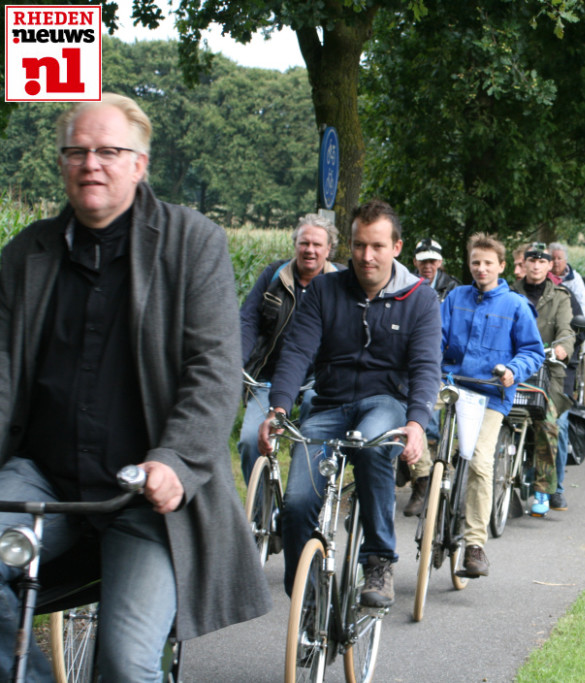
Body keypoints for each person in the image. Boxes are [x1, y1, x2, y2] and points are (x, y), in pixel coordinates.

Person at [0, 93, 271, 681]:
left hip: (142, 494)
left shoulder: (190, 243)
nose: (91, 164)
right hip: (41, 478)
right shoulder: (25, 255)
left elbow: (213, 369)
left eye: (108, 151)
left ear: (139, 164)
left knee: (126, 664)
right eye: (76, 152)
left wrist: (175, 460)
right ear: (61, 163)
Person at [258, 199, 441, 607]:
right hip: (328, 405)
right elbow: (297, 351)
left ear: (396, 247)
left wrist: (416, 423)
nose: (366, 256)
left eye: (377, 246)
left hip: (384, 403)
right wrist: (279, 407)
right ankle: (304, 599)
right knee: (297, 504)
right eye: (359, 245)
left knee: (373, 445)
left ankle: (378, 559)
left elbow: (426, 366)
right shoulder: (324, 290)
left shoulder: (420, 298)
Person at [436, 234, 543, 577]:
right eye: (475, 262)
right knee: (409, 419)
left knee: (481, 462)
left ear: (501, 266)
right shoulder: (455, 298)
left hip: (491, 395)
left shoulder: (515, 305)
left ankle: (474, 545)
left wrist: (513, 371)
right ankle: (425, 479)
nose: (481, 268)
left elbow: (532, 352)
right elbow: (435, 338)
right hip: (451, 384)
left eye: (487, 263)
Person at [238, 215, 341, 482]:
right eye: (304, 243)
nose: (310, 250)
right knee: (250, 440)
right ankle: (260, 506)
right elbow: (248, 320)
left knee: (313, 439)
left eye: (317, 244)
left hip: (319, 380)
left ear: (329, 249)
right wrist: (236, 360)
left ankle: (304, 490)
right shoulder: (274, 276)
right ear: (295, 244)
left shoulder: (341, 283)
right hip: (269, 377)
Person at [511, 243, 574, 513]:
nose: (536, 265)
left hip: (549, 372)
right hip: (513, 369)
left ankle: (545, 489)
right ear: (523, 264)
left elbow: (567, 330)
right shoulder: (509, 293)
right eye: (531, 260)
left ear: (550, 265)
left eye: (542, 261)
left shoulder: (560, 296)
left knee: (549, 423)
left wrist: (563, 348)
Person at [548, 242, 585, 318]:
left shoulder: (575, 278)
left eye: (559, 258)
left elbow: (583, 302)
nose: (556, 261)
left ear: (565, 261)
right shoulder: (543, 277)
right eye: (553, 258)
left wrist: (581, 321)